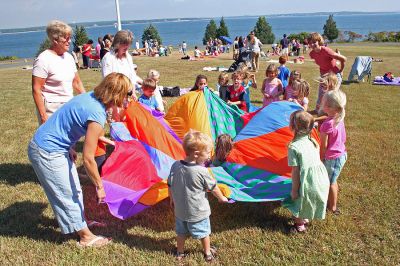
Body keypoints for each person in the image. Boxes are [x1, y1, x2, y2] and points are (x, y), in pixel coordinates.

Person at [28, 72, 131, 247]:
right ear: (116, 94)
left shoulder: (91, 96)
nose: (129, 96)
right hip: (46, 150)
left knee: (74, 189)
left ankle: (80, 222)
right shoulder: (97, 112)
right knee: (66, 192)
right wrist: (99, 186)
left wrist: (68, 146)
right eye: (127, 93)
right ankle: (85, 237)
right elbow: (89, 159)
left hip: (56, 146)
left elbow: (68, 122)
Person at [168, 130, 228, 262]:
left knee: (181, 233)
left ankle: (180, 253)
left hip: (180, 211)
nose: (209, 156)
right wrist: (221, 198)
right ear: (196, 154)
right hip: (198, 212)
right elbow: (213, 188)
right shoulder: (202, 171)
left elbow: (170, 185)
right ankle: (207, 253)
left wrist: (172, 199)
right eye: (207, 153)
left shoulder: (175, 166)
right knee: (204, 233)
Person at [283, 110, 330, 233]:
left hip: (307, 181)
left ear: (293, 126)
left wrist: (294, 190)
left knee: (298, 201)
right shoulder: (313, 141)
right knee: (309, 199)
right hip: (321, 178)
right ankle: (306, 217)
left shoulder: (293, 147)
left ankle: (299, 225)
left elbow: (296, 172)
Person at [32, 20, 85, 125]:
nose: (69, 41)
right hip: (51, 111)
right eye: (66, 38)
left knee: (70, 140)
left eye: (70, 37)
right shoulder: (43, 59)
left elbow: (77, 83)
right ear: (55, 39)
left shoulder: (69, 57)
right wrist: (43, 116)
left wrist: (89, 101)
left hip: (69, 107)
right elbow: (37, 89)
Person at [319, 90, 347, 215]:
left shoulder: (326, 125)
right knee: (332, 180)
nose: (321, 102)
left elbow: (323, 146)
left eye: (323, 101)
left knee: (330, 182)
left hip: (332, 158)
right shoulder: (339, 117)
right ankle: (330, 203)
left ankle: (333, 207)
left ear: (329, 107)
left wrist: (320, 158)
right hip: (340, 154)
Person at [308, 32, 346, 110]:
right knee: (321, 96)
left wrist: (341, 70)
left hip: (334, 76)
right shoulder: (312, 54)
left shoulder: (326, 50)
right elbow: (322, 63)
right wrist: (323, 75)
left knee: (332, 96)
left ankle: (334, 114)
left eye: (314, 42)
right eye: (310, 43)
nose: (312, 45)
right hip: (324, 77)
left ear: (319, 41)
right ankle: (318, 112)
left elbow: (343, 59)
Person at [101, 30, 139, 100]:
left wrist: (133, 92)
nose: (127, 46)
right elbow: (107, 80)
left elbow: (132, 76)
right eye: (124, 43)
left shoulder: (128, 57)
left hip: (128, 96)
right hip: (114, 96)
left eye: (128, 43)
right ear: (117, 43)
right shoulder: (108, 58)